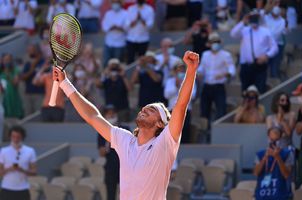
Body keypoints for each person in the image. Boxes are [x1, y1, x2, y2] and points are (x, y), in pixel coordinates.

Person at [52, 50, 199, 199]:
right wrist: (65, 83)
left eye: (152, 109)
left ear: (161, 124)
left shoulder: (165, 142)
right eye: (144, 108)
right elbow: (92, 116)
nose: (144, 109)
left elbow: (180, 106)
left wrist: (191, 71)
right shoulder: (125, 140)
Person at [230, 10, 278, 93]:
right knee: (245, 91)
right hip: (246, 66)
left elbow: (274, 47)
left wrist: (266, 56)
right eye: (252, 17)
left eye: (256, 17)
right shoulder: (245, 30)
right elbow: (233, 34)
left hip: (259, 66)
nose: (254, 19)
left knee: (260, 91)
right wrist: (243, 22)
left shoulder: (265, 31)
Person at [198, 32, 236, 127]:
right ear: (209, 44)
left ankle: (220, 131)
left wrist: (225, 74)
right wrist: (198, 73)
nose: (215, 44)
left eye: (217, 42)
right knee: (204, 111)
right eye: (213, 42)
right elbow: (202, 68)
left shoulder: (225, 55)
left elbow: (232, 69)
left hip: (219, 87)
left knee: (221, 110)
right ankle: (205, 133)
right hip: (207, 86)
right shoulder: (205, 54)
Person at [254, 126, 294, 200]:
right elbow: (256, 173)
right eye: (271, 140)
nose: (273, 143)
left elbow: (286, 175)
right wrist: (264, 159)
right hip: (262, 195)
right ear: (268, 138)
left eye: (276, 140)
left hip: (281, 195)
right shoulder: (260, 154)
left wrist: (277, 157)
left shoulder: (287, 153)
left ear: (281, 139)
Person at [0, 125, 37, 200]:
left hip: (23, 188)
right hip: (7, 188)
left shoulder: (30, 151)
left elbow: (34, 172)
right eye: (13, 136)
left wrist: (22, 170)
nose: (15, 139)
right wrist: (9, 169)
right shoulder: (3, 151)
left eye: (18, 137)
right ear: (10, 137)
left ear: (22, 137)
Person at [164, 60, 196, 143]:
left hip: (186, 110)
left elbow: (192, 95)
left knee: (185, 130)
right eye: (178, 69)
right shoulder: (170, 81)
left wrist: (182, 87)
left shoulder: (191, 81)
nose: (180, 71)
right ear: (174, 71)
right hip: (172, 109)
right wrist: (176, 86)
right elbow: (166, 95)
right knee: (171, 131)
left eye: (182, 69)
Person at [97, 105, 121, 200]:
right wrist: (108, 140)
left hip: (123, 167)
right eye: (108, 113)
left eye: (112, 112)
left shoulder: (124, 128)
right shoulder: (102, 131)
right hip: (110, 168)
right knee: (110, 195)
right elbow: (101, 153)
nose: (111, 115)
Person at [20, 44, 45, 116]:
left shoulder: (43, 63)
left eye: (31, 50)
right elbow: (23, 77)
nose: (29, 52)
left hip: (40, 93)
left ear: (36, 51)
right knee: (28, 114)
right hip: (28, 93)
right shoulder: (28, 63)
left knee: (38, 115)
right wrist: (32, 67)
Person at [101, 0, 127, 66]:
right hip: (108, 42)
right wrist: (111, 27)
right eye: (113, 2)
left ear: (120, 3)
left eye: (117, 2)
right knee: (106, 63)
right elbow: (104, 27)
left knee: (117, 64)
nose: (115, 4)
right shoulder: (108, 13)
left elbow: (127, 28)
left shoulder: (125, 13)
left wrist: (119, 28)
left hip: (120, 44)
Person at [263, 5, 286, 79]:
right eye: (273, 14)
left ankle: (275, 84)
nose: (274, 16)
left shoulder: (282, 21)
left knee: (274, 67)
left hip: (278, 45)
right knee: (264, 67)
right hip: (266, 45)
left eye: (276, 15)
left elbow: (277, 34)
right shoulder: (266, 17)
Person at [0, 53, 24, 119]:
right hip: (2, 98)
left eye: (9, 59)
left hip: (13, 97)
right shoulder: (1, 71)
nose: (7, 61)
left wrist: (8, 75)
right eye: (5, 60)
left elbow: (15, 83)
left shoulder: (15, 70)